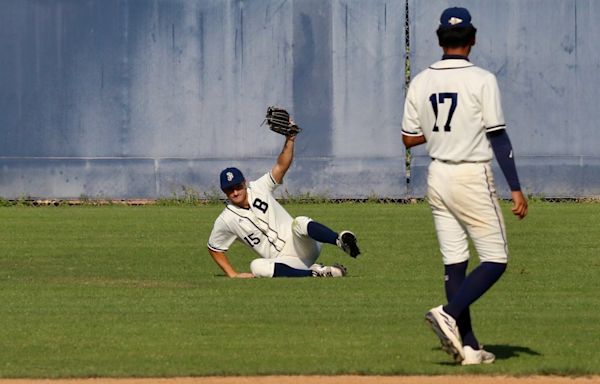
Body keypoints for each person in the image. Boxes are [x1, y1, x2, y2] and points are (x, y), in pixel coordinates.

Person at [401, 7, 528, 365]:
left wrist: (443, 132)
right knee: (496, 259)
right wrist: (516, 188)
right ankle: (448, 312)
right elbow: (498, 138)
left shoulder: (421, 81)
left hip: (438, 175)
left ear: (440, 39)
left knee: (455, 263)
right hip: (471, 175)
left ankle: (469, 348)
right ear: (472, 39)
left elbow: (409, 139)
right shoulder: (482, 79)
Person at [207, 117, 360, 279]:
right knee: (256, 266)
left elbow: (281, 166)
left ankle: (339, 240)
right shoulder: (226, 220)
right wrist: (232, 274)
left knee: (299, 222)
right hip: (285, 261)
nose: (235, 192)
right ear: (224, 192)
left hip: (304, 245)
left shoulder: (259, 187)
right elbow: (214, 248)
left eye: (237, 186)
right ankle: (315, 273)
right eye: (230, 190)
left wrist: (290, 139)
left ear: (244, 183)